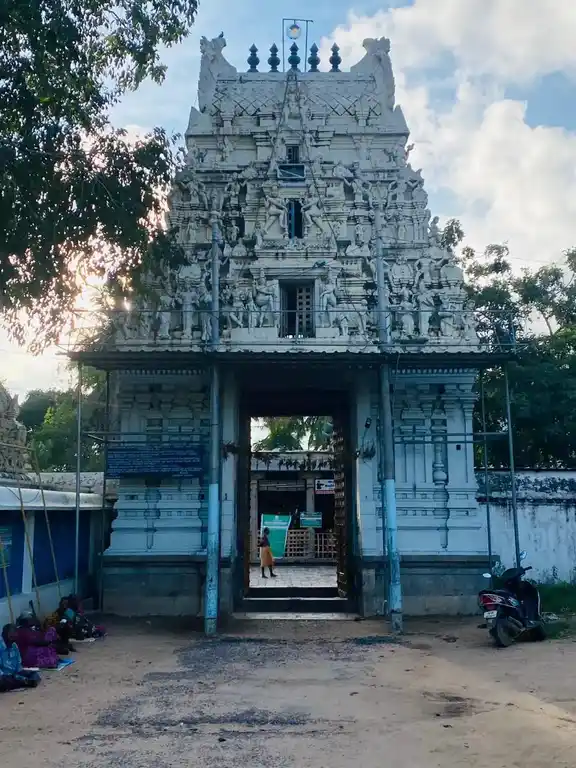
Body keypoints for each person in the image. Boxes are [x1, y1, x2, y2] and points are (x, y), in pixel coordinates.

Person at [0, 625, 41, 692]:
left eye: (15, 635)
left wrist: (21, 674)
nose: (14, 636)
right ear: (4, 634)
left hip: (13, 675)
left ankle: (25, 682)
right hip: (3, 676)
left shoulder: (14, 645)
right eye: (11, 635)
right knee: (3, 681)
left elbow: (18, 665)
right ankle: (24, 682)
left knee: (33, 673)